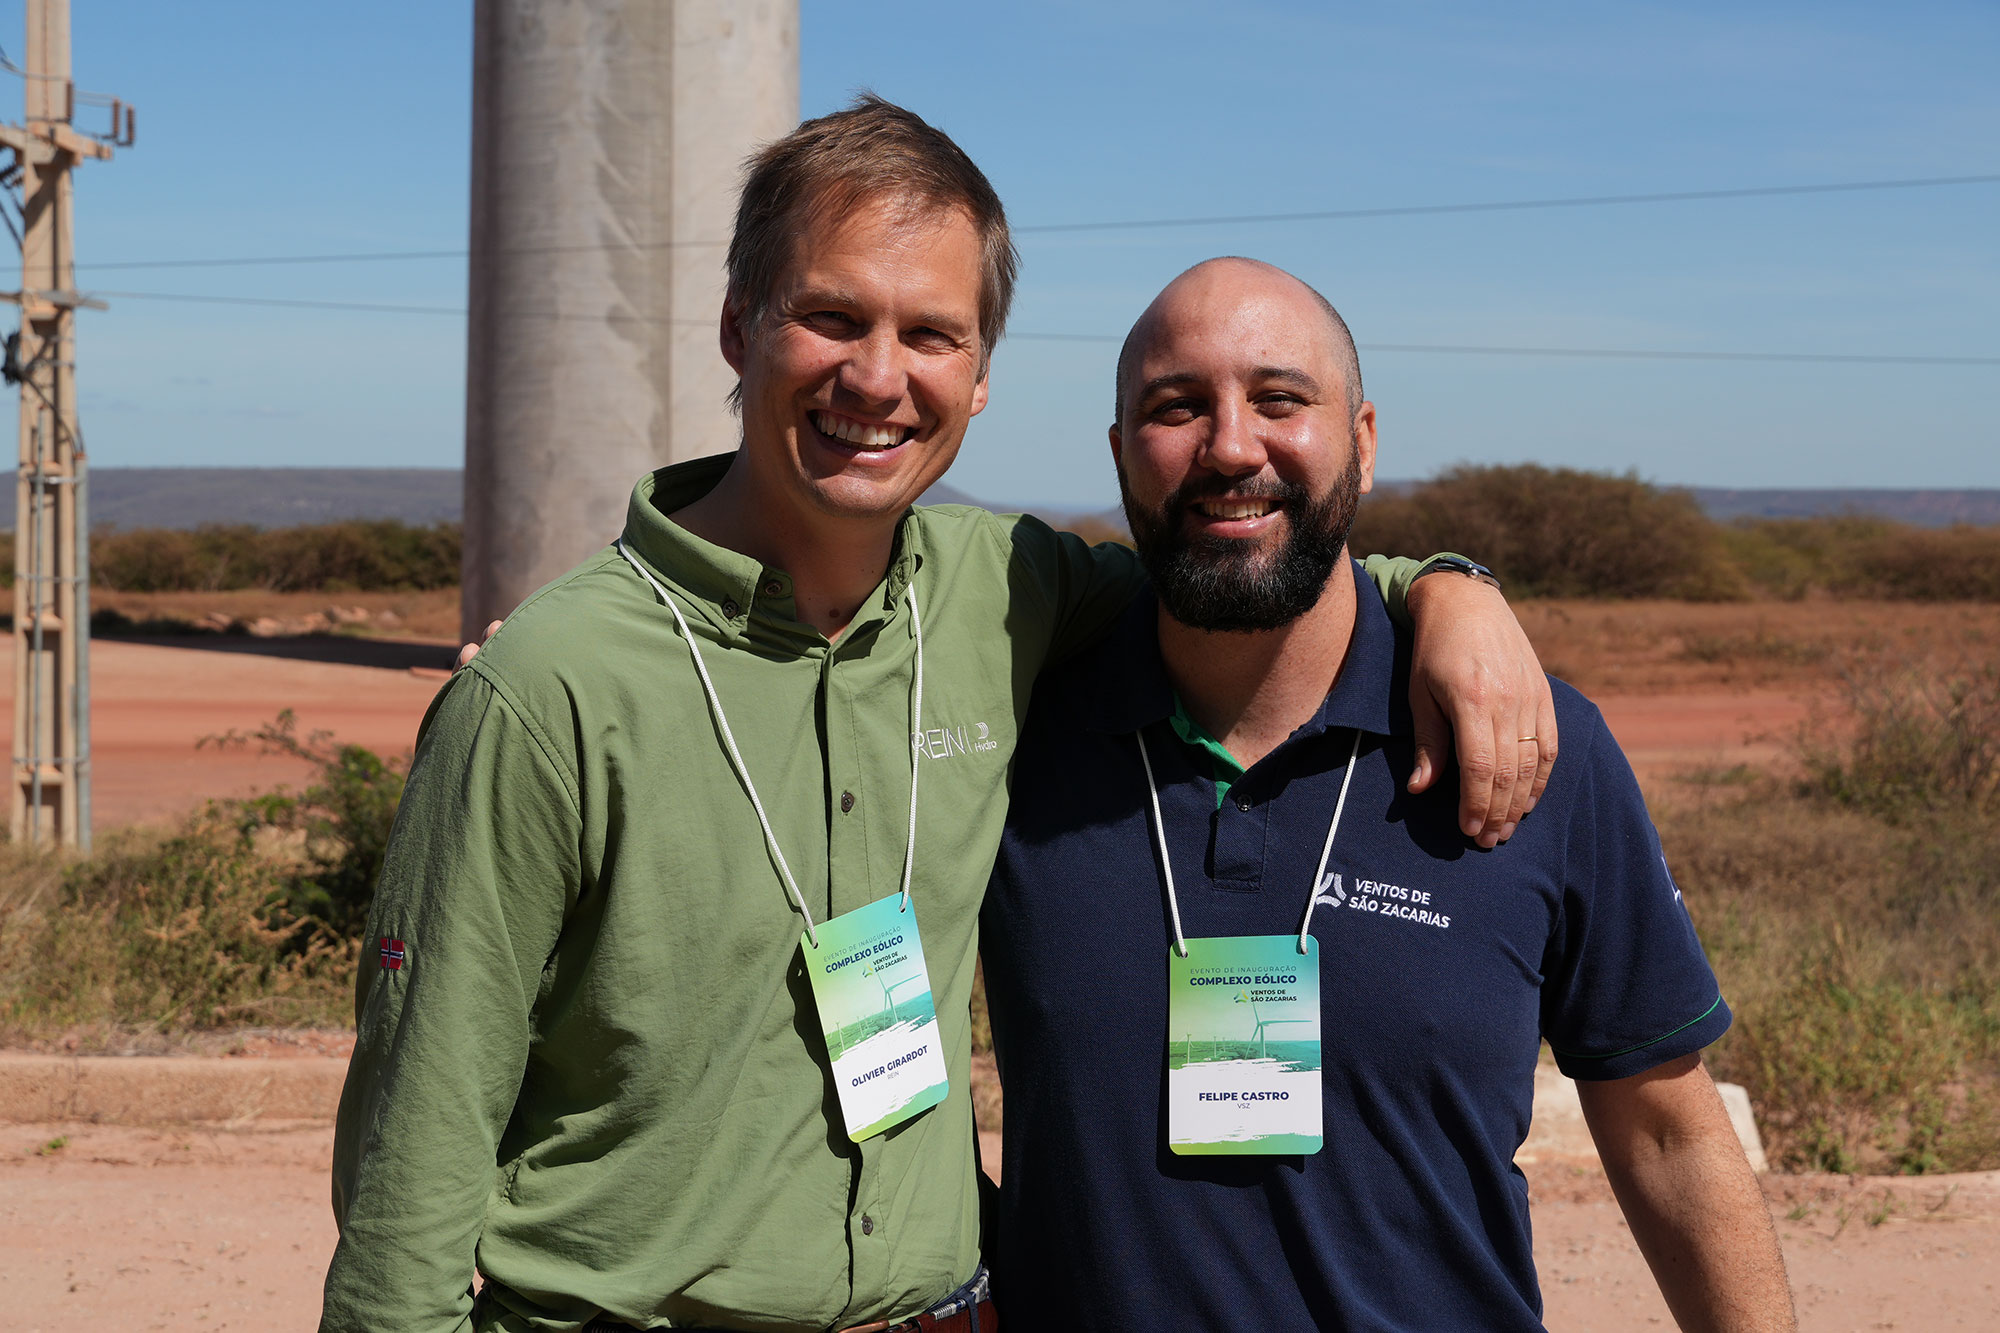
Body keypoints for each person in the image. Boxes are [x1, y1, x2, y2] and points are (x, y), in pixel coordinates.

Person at [320, 99, 1555, 1333]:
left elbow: (1243, 564)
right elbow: (406, 1175)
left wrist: (1446, 587)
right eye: (830, 317)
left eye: (929, 334)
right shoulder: (551, 687)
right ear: (738, 328)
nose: (876, 377)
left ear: (977, 379)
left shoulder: (1008, 590)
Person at [981, 257, 1797, 1331]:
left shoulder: (1526, 743)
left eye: (1280, 399)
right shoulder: (1005, 741)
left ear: (1362, 442)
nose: (1231, 446)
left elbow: (1666, 1133)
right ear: (1121, 451)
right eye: (1176, 407)